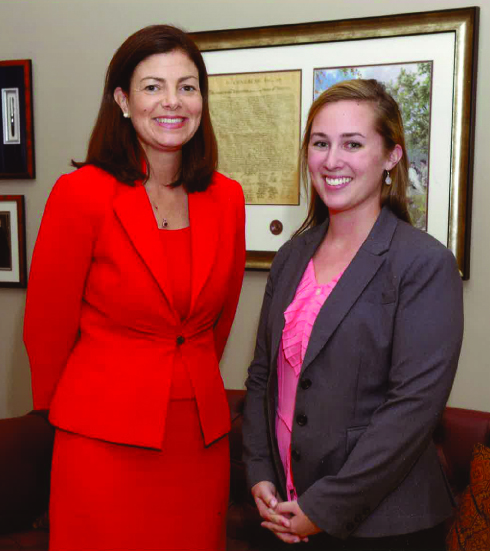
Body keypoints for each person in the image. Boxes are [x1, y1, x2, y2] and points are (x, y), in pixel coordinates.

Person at [24, 24, 245, 551]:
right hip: (100, 441)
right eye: (153, 86)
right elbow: (47, 327)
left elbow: (220, 320)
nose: (173, 102)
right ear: (122, 100)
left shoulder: (228, 198)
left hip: (198, 441)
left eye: (187, 86)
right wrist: (73, 415)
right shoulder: (80, 194)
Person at [242, 79, 463, 551]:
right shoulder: (291, 257)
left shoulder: (423, 263)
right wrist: (259, 470)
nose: (331, 160)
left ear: (391, 157)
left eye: (353, 144)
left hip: (382, 528)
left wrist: (323, 510)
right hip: (280, 513)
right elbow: (263, 377)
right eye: (320, 143)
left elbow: (412, 409)